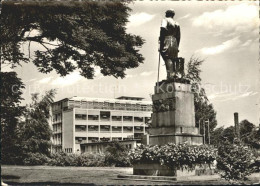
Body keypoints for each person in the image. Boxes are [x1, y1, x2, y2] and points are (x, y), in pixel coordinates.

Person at [159, 9, 181, 80]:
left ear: (167, 14)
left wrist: (161, 40)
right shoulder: (176, 23)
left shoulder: (165, 20)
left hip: (167, 39)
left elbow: (163, 29)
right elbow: (178, 36)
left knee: (167, 57)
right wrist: (177, 46)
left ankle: (170, 76)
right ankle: (174, 75)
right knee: (173, 58)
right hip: (175, 41)